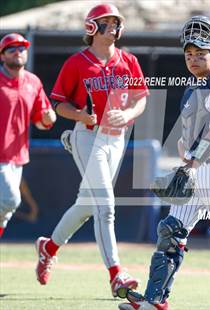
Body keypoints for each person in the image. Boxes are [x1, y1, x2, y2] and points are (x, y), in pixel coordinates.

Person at [118, 16, 210, 310]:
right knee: (170, 231)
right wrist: (186, 158)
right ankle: (155, 300)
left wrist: (194, 162)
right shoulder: (191, 89)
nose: (194, 59)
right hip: (196, 169)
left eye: (200, 54)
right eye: (189, 54)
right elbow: (187, 138)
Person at [34, 4, 149, 297]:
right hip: (88, 136)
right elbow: (58, 104)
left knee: (88, 205)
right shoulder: (77, 62)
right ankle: (116, 274)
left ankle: (48, 247)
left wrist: (129, 114)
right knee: (106, 206)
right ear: (91, 27)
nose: (113, 26)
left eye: (116, 22)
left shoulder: (129, 61)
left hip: (116, 138)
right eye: (107, 22)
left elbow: (141, 98)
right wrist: (81, 117)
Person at [0, 33, 56, 238]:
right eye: (11, 48)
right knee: (10, 200)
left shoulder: (33, 82)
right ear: (3, 56)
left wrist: (48, 119)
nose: (18, 52)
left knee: (4, 215)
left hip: (18, 157)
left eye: (22, 48)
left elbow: (41, 122)